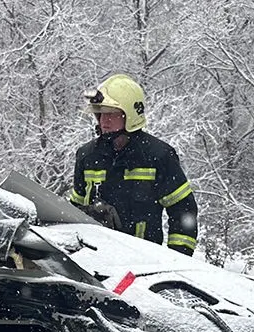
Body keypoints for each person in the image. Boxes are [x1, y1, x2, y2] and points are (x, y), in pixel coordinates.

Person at [68, 74, 198, 255]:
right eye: (101, 114)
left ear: (130, 115)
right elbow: (73, 213)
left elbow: (183, 210)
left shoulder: (158, 156)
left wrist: (177, 258)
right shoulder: (87, 156)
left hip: (142, 264)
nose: (104, 121)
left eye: (111, 114)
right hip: (95, 262)